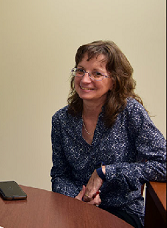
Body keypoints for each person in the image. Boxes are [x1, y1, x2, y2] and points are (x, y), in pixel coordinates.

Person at [50, 40, 166, 228]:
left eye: (96, 73)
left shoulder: (130, 112)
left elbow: (163, 163)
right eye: (80, 70)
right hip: (75, 207)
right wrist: (76, 198)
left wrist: (106, 172)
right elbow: (60, 175)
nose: (85, 79)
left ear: (114, 81)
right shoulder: (61, 120)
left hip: (123, 212)